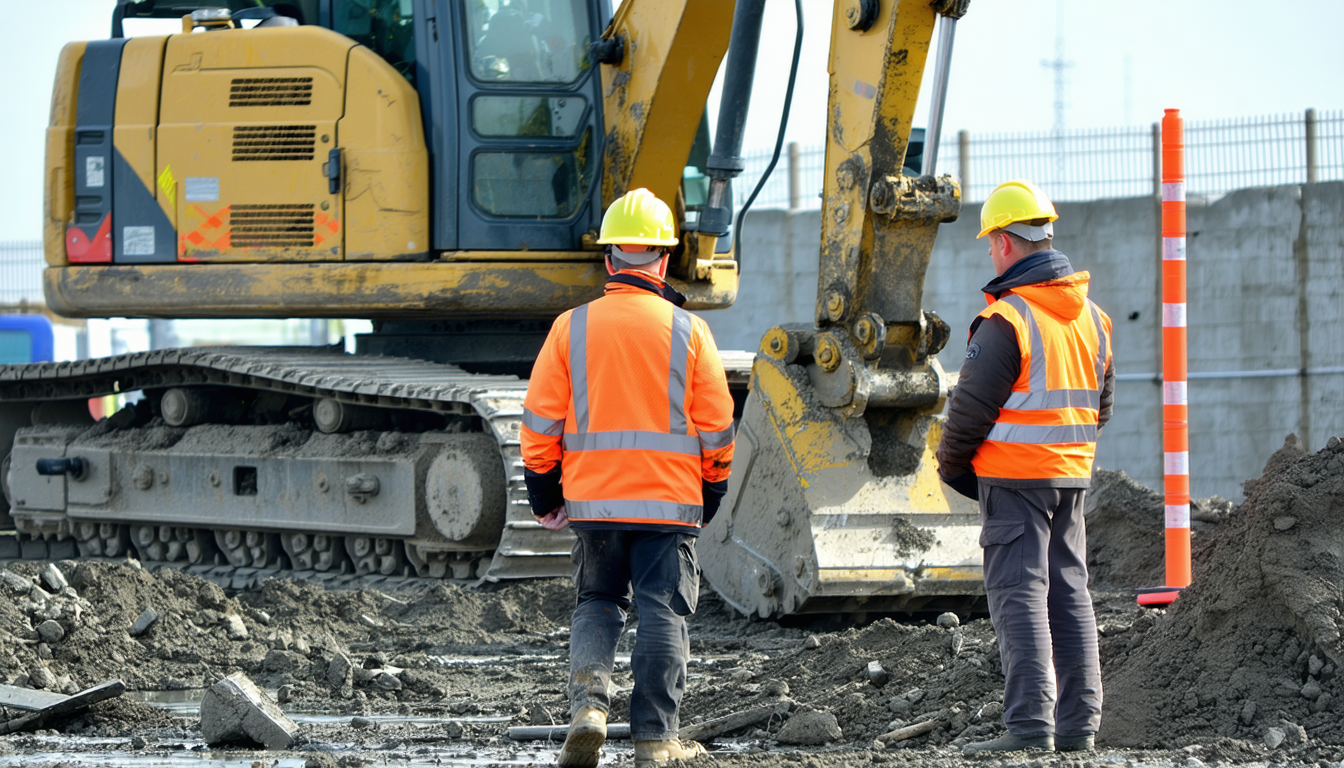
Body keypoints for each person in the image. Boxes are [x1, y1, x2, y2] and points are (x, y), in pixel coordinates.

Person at [520, 188, 735, 768]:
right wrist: (711, 488)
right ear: (664, 259)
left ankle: (590, 708)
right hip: (669, 505)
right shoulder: (691, 332)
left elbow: (540, 423)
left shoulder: (571, 328)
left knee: (597, 600)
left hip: (594, 503)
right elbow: (717, 427)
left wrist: (545, 493)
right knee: (662, 609)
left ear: (611, 259)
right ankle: (654, 742)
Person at [935, 179, 1114, 756]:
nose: (990, 251)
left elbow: (966, 416)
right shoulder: (1095, 320)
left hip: (1014, 480)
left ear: (1008, 244)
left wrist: (957, 471)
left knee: (1020, 594)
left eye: (991, 241)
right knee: (1070, 592)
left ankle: (1030, 726)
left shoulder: (1008, 321)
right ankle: (1078, 727)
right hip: (1070, 477)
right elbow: (1099, 406)